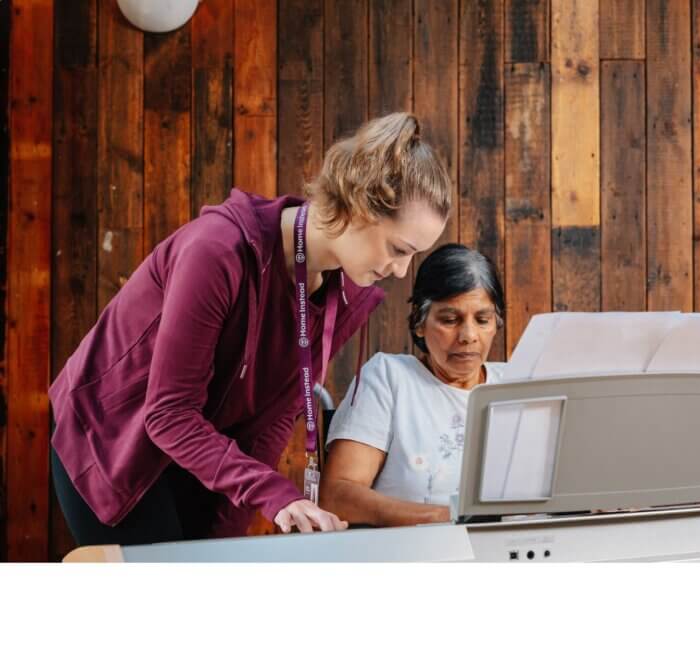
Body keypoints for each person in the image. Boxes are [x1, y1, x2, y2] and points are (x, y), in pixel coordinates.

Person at [49, 112, 450, 545]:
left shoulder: (351, 292)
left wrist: (230, 536)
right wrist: (275, 495)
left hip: (201, 450)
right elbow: (168, 414)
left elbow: (274, 417)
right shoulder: (217, 251)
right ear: (358, 207)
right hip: (116, 439)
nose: (401, 270)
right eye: (399, 249)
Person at [319, 244, 506, 527]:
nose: (468, 336)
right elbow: (338, 496)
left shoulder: (517, 383)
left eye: (482, 320)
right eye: (450, 320)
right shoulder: (389, 378)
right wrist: (448, 518)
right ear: (420, 322)